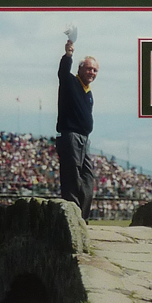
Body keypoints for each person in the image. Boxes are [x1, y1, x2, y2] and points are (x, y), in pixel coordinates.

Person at [55, 39, 99, 222]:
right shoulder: (70, 82)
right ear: (80, 69)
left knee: (88, 179)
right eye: (89, 69)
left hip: (84, 139)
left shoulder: (88, 92)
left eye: (95, 70)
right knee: (72, 178)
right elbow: (63, 72)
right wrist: (68, 55)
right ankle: (73, 222)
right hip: (70, 136)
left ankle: (82, 219)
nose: (92, 72)